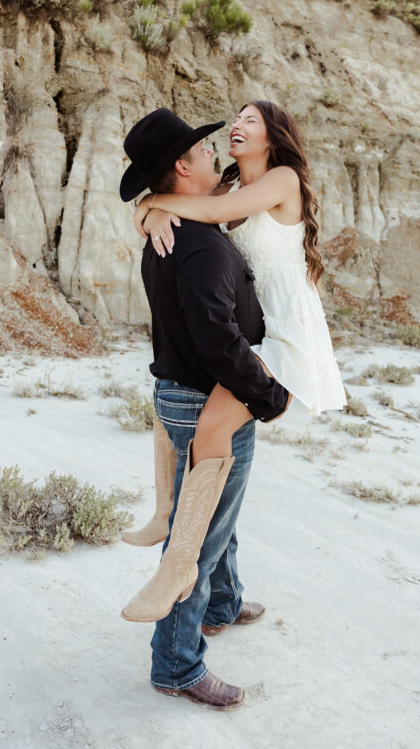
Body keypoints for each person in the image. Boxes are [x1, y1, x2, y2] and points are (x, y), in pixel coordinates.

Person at [125, 101, 346, 612]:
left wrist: (151, 205)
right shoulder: (226, 186)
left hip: (289, 329)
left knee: (209, 426)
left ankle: (179, 562)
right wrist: (151, 209)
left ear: (273, 136)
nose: (237, 127)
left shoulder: (282, 180)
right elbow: (197, 201)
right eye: (238, 119)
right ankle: (176, 529)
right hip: (258, 331)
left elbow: (204, 212)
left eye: (251, 120)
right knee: (183, 403)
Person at [119, 107, 290, 711]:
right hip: (206, 401)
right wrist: (268, 395)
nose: (213, 153)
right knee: (199, 539)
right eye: (202, 150)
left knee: (217, 515)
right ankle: (176, 665)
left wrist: (151, 205)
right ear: (183, 168)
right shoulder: (199, 246)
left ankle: (222, 603)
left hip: (179, 396)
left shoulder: (172, 230)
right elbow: (219, 342)